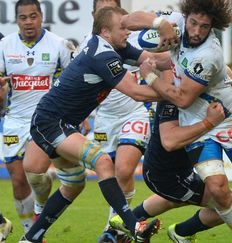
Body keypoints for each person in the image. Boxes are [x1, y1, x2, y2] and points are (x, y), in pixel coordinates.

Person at [122, 1, 232, 242]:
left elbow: (182, 99)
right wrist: (160, 24)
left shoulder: (210, 54)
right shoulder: (177, 21)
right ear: (186, 16)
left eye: (204, 27)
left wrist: (149, 75)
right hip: (199, 122)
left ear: (213, 26)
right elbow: (127, 21)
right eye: (193, 23)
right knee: (217, 187)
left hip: (226, 117)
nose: (195, 31)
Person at [19, 6, 177, 243]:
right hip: (51, 121)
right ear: (105, 31)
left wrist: (177, 46)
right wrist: (176, 94)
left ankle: (30, 238)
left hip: (57, 122)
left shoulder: (117, 47)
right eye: (122, 28)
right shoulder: (103, 55)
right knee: (103, 162)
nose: (127, 32)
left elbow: (155, 60)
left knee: (73, 184)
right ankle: (134, 226)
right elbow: (136, 92)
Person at [109, 83, 232, 242]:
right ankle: (181, 232)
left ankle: (128, 220)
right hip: (167, 174)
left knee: (173, 200)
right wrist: (209, 122)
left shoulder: (211, 86)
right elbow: (169, 142)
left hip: (179, 172)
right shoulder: (174, 96)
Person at [0, 0, 74, 233]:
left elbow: (73, 82)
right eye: (23, 18)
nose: (28, 22)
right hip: (13, 119)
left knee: (35, 174)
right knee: (18, 178)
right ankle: (29, 231)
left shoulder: (60, 45)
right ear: (17, 20)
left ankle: (39, 211)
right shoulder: (4, 46)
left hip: (45, 119)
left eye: (33, 16)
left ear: (41, 16)